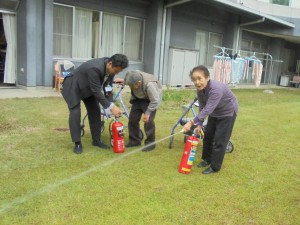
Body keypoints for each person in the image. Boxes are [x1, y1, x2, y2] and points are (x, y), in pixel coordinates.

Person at [61, 54, 129, 154]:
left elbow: (108, 87)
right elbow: (96, 91)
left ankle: (96, 141)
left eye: (119, 72)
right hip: (73, 85)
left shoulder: (111, 70)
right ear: (110, 64)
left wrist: (111, 104)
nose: (116, 73)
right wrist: (111, 107)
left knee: (95, 110)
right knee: (75, 112)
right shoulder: (95, 68)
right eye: (116, 71)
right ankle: (77, 143)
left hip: (88, 87)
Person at [183, 65, 238, 174]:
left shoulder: (215, 89)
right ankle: (206, 159)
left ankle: (215, 167)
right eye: (194, 80)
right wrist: (199, 124)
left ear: (207, 77)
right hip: (214, 112)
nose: (197, 82)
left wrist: (191, 122)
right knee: (208, 137)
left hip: (227, 112)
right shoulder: (200, 90)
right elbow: (202, 107)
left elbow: (208, 109)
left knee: (219, 140)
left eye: (200, 79)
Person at [124, 70, 163, 152]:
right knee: (132, 119)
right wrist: (124, 81)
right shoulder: (133, 75)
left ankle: (150, 143)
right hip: (138, 99)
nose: (130, 88)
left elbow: (155, 100)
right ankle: (134, 141)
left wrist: (148, 113)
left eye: (131, 86)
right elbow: (129, 79)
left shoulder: (149, 85)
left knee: (148, 121)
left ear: (138, 83)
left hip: (150, 100)